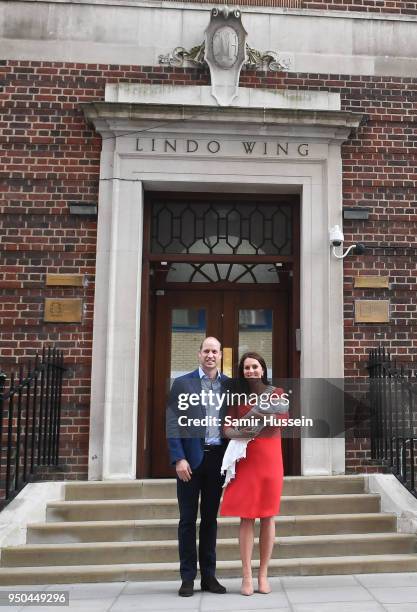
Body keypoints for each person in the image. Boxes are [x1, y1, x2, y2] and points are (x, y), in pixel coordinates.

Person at [220, 351, 288, 596]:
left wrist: (263, 421)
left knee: (268, 516)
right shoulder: (237, 397)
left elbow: (282, 422)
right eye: (246, 368)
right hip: (246, 460)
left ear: (263, 370)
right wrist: (240, 433)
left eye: (255, 367)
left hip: (270, 460)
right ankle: (247, 576)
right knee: (246, 516)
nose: (251, 371)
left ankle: (263, 575)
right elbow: (226, 428)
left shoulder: (276, 393)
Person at [166, 336, 229, 597]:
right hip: (189, 462)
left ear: (220, 355)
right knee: (187, 521)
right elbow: (172, 423)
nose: (210, 355)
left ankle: (209, 577)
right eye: (206, 351)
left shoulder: (230, 385)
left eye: (214, 351)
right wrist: (178, 458)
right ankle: (187, 577)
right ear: (199, 354)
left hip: (217, 460)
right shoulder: (182, 384)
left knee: (210, 521)